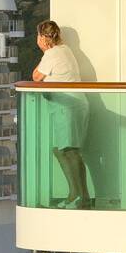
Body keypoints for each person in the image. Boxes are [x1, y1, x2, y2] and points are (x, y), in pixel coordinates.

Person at [32, 20, 90, 208]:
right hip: (75, 104)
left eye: (38, 36)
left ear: (42, 37)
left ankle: (77, 196)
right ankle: (80, 195)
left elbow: (36, 76)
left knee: (68, 150)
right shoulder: (65, 50)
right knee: (66, 150)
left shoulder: (52, 53)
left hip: (67, 106)